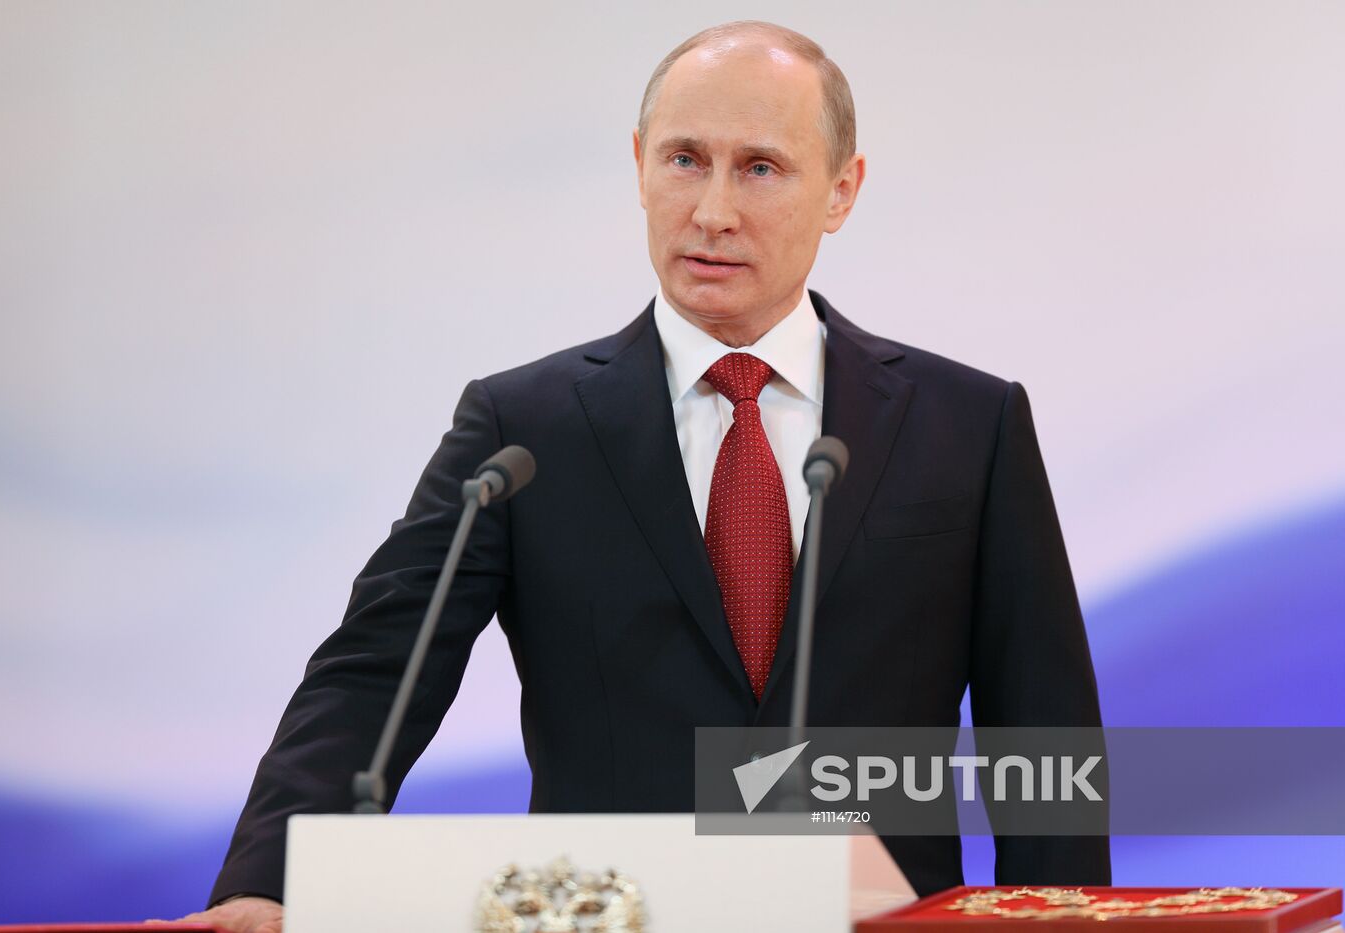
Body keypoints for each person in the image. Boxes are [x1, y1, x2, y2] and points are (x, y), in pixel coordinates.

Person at [182, 20, 1109, 932]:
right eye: (684, 160)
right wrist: (268, 881)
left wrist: (1073, 923)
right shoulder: (523, 431)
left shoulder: (967, 424)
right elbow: (375, 671)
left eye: (760, 167)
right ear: (638, 166)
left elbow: (1045, 738)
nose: (712, 211)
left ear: (841, 190)